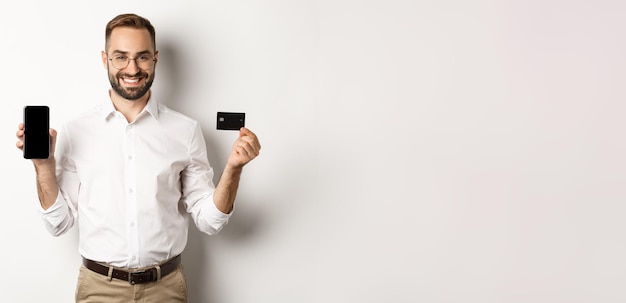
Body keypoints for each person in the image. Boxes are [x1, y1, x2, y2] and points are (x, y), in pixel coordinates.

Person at [15, 13, 261, 303]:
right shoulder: (76, 130)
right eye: (121, 57)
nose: (132, 68)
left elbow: (210, 221)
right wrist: (43, 167)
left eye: (142, 57)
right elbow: (58, 224)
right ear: (105, 59)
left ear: (155, 59)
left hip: (165, 289)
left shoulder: (186, 130)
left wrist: (233, 169)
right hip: (98, 290)